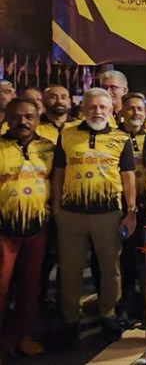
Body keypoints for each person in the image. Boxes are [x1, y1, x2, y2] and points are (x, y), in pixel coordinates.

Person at [51, 87, 136, 345]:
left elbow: (128, 177)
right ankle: (70, 318)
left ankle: (108, 314)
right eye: (92, 107)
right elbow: (59, 172)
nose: (97, 111)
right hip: (71, 213)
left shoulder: (121, 139)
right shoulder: (67, 134)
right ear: (82, 109)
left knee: (110, 268)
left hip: (108, 214)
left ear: (111, 110)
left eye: (102, 107)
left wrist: (131, 211)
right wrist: (56, 207)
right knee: (70, 269)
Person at [0, 98, 55, 356]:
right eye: (17, 117)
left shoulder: (49, 148)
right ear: (7, 119)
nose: (23, 122)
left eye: (29, 116)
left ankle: (22, 336)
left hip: (37, 230)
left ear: (37, 118)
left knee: (30, 288)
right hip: (4, 231)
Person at [117, 93, 146, 324]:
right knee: (120, 260)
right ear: (122, 111)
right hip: (117, 206)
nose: (135, 113)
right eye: (131, 108)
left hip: (143, 206)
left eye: (140, 109)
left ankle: (143, 305)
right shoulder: (113, 137)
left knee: (142, 257)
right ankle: (121, 304)